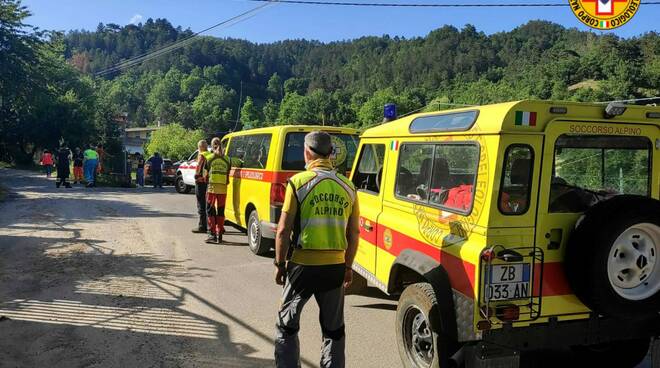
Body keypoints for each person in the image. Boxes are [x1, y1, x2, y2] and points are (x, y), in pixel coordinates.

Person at [273, 131, 360, 368]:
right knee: (334, 329)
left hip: (302, 267)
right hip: (335, 267)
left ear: (307, 152)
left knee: (286, 326)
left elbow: (282, 230)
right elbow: (354, 234)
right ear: (331, 153)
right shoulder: (348, 186)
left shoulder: (298, 182)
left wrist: (280, 265)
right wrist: (349, 266)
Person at [204, 137, 241, 244]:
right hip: (223, 189)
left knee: (210, 211)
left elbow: (205, 174)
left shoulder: (209, 158)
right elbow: (238, 163)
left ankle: (211, 234)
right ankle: (219, 234)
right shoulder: (227, 159)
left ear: (212, 146)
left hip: (212, 188)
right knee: (221, 211)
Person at [192, 140, 213, 233]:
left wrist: (196, 177)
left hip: (201, 182)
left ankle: (202, 226)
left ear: (200, 147)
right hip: (208, 182)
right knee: (208, 204)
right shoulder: (210, 155)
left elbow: (199, 169)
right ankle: (210, 225)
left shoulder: (202, 155)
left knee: (201, 204)